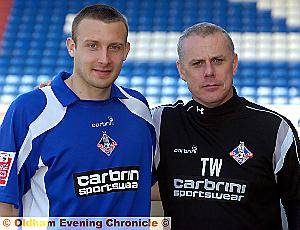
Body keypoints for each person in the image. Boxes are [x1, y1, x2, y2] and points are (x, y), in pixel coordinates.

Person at [0, 4, 155, 217]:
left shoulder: (139, 109)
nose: (104, 59)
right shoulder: (30, 110)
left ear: (126, 51)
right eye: (93, 46)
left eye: (114, 47)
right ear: (72, 47)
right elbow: (3, 201)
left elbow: (149, 183)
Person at [152, 22, 300, 229]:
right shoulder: (161, 123)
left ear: (234, 63)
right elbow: (123, 185)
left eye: (218, 60)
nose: (209, 72)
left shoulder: (274, 130)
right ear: (181, 70)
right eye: (197, 63)